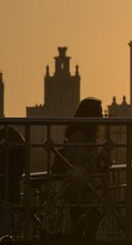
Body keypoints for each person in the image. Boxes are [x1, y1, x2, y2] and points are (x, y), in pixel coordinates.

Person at [54, 97, 112, 241]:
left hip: (85, 186)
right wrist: (97, 157)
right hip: (79, 187)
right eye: (98, 112)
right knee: (87, 224)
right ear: (91, 114)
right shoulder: (80, 134)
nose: (101, 115)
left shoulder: (85, 133)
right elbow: (78, 156)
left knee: (84, 225)